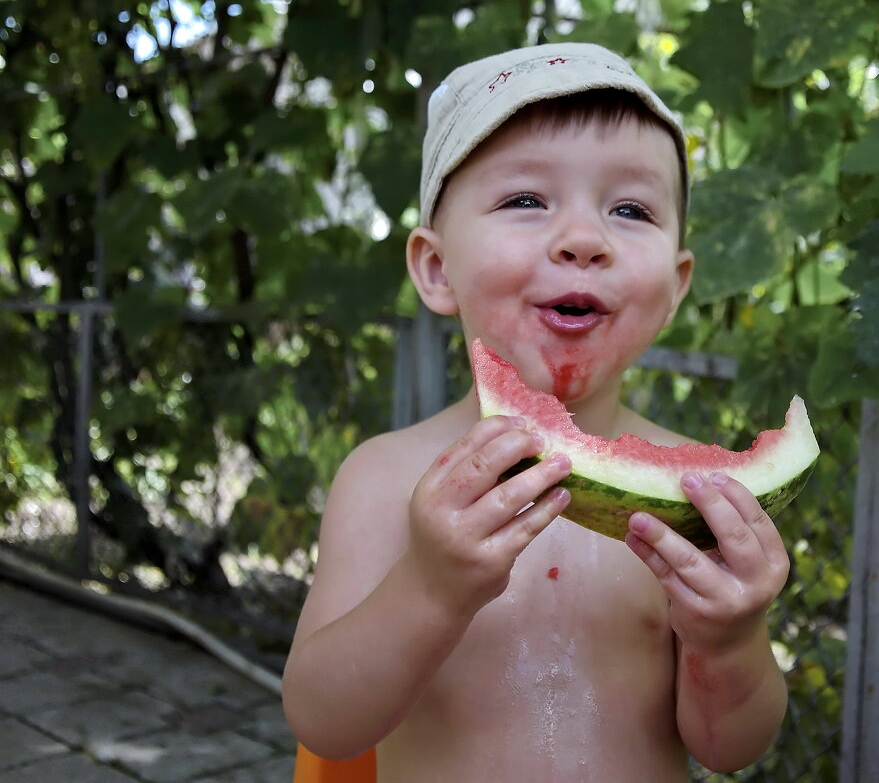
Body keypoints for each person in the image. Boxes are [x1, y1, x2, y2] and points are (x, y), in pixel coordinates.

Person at [282, 41, 790, 781]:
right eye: (526, 200)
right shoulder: (384, 479)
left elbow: (729, 746)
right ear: (435, 266)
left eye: (631, 208)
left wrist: (731, 641)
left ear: (676, 285)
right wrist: (428, 587)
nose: (584, 240)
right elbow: (324, 721)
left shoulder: (697, 500)